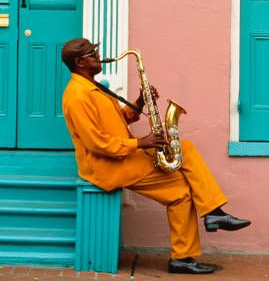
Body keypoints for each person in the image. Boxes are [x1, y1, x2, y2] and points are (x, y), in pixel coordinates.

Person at [61, 38, 251, 275]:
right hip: (108, 166)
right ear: (80, 62)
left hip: (122, 157)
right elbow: (96, 143)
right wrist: (141, 142)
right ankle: (212, 214)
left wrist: (140, 101)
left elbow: (119, 119)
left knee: (182, 187)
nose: (98, 57)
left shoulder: (93, 86)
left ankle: (185, 255)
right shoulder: (77, 96)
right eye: (93, 54)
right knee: (185, 159)